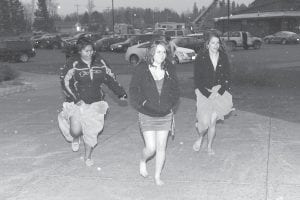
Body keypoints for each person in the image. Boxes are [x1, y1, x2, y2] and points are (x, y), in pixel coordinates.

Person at [58, 37, 127, 167]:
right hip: (77, 102)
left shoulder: (100, 62)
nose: (90, 53)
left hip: (95, 102)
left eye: (91, 50)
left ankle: (88, 156)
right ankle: (76, 137)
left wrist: (120, 92)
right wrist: (76, 99)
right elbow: (65, 82)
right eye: (86, 51)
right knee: (76, 131)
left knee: (91, 131)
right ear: (79, 51)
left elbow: (110, 78)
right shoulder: (73, 63)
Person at [129, 41, 180, 186]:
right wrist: (144, 103)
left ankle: (157, 176)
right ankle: (143, 160)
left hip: (165, 114)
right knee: (151, 148)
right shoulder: (142, 68)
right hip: (147, 113)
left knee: (161, 147)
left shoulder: (169, 67)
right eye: (158, 52)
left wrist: (170, 104)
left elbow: (176, 89)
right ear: (151, 53)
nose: (162, 55)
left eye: (164, 52)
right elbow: (133, 90)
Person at [193, 32, 234, 155]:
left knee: (212, 121)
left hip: (220, 93)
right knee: (204, 122)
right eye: (213, 43)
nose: (215, 45)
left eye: (217, 43)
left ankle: (209, 147)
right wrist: (208, 94)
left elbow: (228, 77)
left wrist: (220, 92)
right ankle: (200, 137)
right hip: (204, 91)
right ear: (207, 44)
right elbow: (197, 80)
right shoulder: (201, 57)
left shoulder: (223, 57)